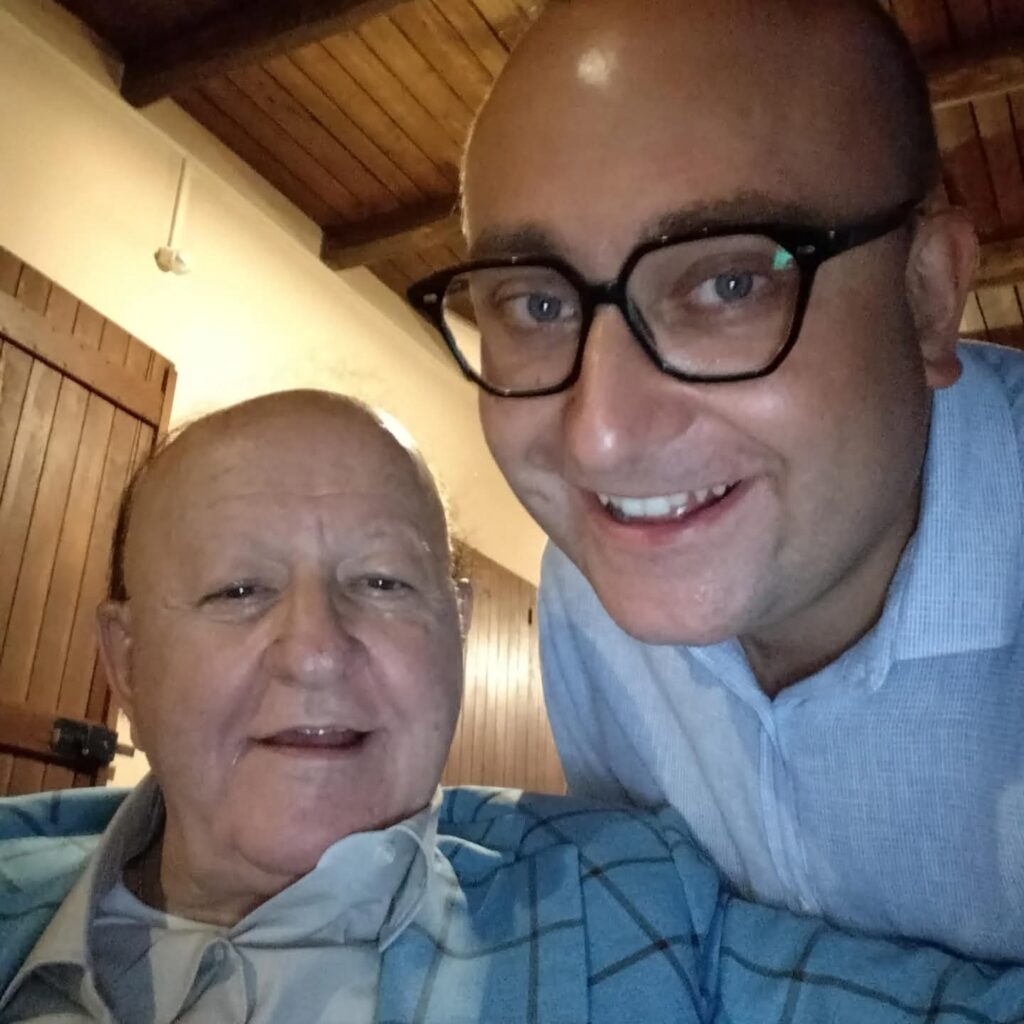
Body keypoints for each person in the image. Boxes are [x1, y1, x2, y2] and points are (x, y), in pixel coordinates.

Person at [4, 391, 1024, 1024]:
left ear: (455, 633)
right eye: (238, 590)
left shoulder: (630, 900)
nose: (315, 649)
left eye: (382, 583)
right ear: (126, 663)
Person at [407, 0, 1024, 959]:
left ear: (927, 297)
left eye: (729, 284)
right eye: (535, 304)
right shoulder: (588, 596)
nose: (600, 438)